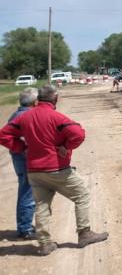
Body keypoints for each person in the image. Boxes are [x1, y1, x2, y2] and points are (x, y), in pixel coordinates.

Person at [0, 85, 108, 256]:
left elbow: (3, 135)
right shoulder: (56, 117)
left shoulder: (24, 117)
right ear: (55, 98)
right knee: (82, 195)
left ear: (38, 100)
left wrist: (21, 147)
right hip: (56, 169)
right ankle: (85, 233)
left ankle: (45, 244)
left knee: (41, 206)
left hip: (34, 171)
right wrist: (66, 146)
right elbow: (78, 134)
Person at [7, 88, 37, 240]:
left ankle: (25, 225)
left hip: (18, 156)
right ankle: (25, 229)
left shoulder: (16, 114)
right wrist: (24, 148)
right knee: (28, 190)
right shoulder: (26, 115)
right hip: (24, 157)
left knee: (26, 188)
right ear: (34, 102)